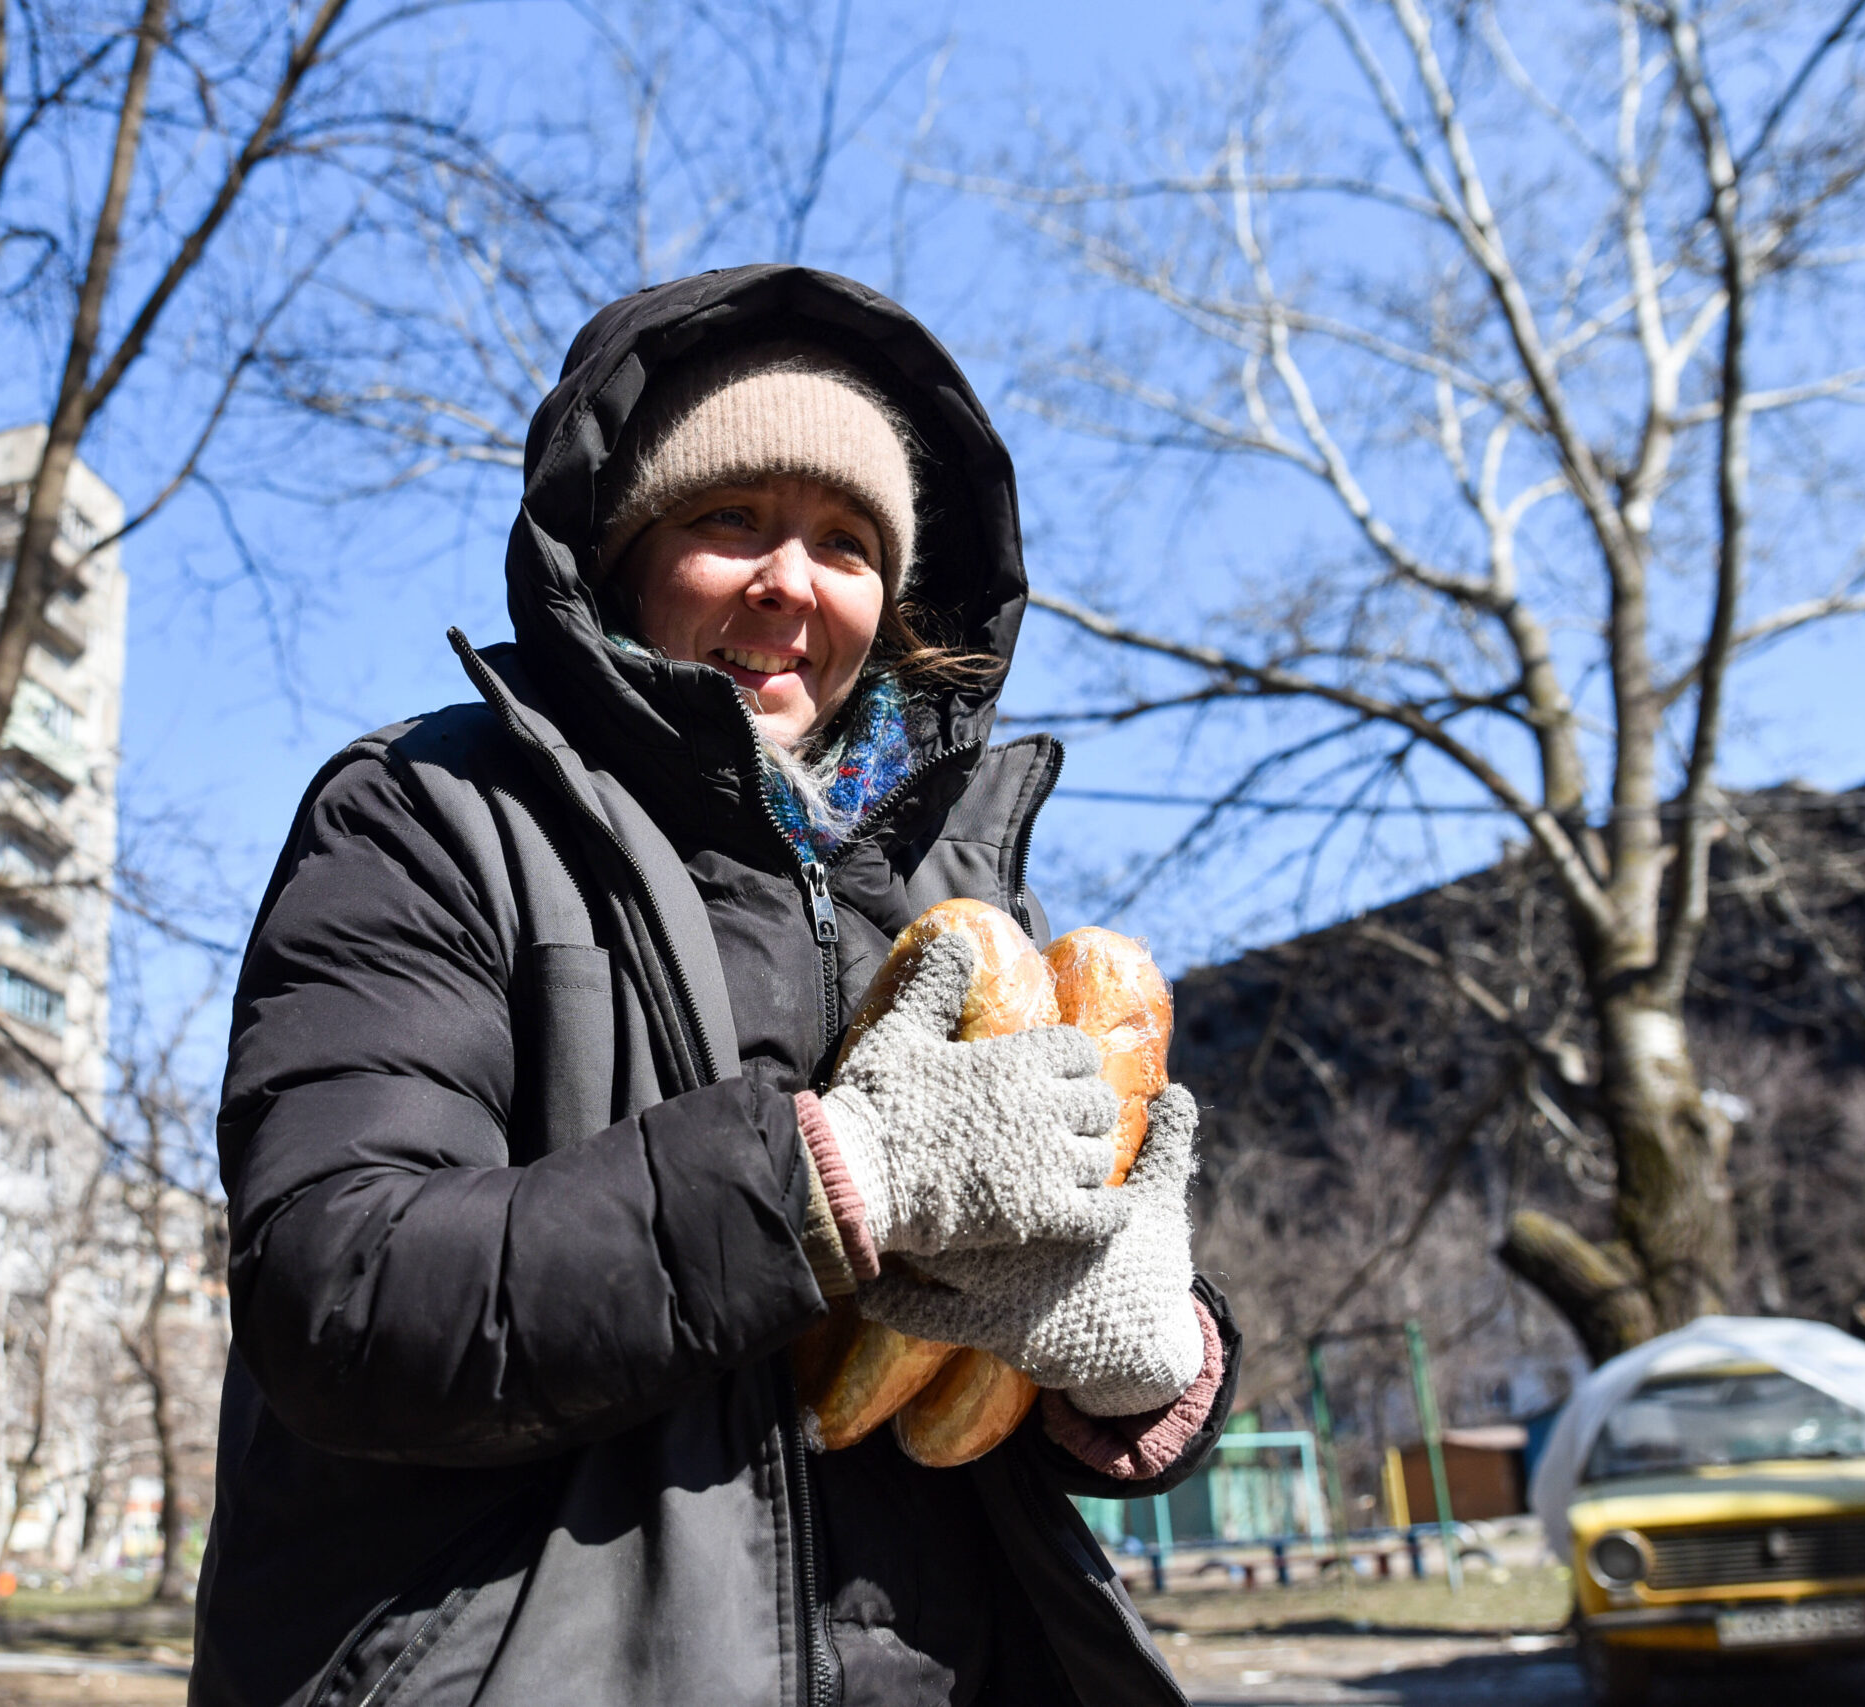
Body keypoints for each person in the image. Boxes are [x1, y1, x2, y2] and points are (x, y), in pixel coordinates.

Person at [197, 265, 1241, 1707]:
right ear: (627, 550)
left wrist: (1146, 1361)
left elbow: (986, 1379)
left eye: (846, 542)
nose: (789, 582)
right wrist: (837, 1181)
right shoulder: (431, 816)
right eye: (729, 519)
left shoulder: (964, 898)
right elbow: (343, 1287)